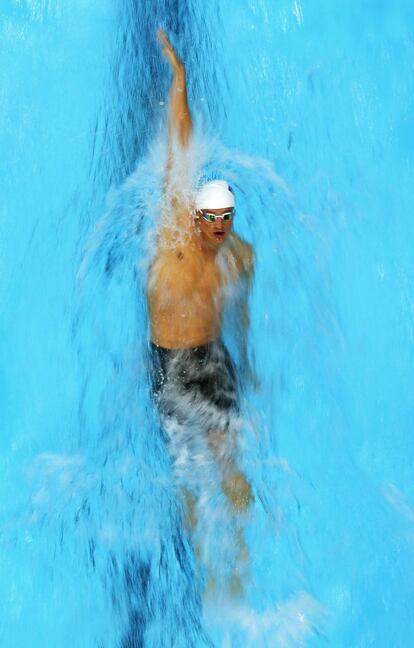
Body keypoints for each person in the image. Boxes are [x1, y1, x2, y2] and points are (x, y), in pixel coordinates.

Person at [147, 30, 255, 594]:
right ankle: (207, 576)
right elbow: (180, 140)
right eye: (210, 222)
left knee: (228, 470)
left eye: (225, 222)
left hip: (209, 361)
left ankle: (242, 564)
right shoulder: (174, 230)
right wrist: (179, 80)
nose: (217, 231)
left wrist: (250, 364)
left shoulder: (239, 256)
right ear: (196, 216)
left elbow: (241, 318)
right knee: (188, 477)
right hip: (167, 361)